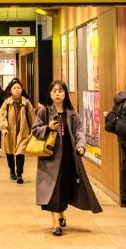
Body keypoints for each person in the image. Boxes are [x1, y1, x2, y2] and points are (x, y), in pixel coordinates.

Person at [31, 80, 103, 235]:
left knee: (64, 187)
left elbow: (79, 131)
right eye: (54, 91)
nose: (57, 93)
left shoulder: (71, 112)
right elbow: (35, 130)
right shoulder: (44, 112)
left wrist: (81, 146)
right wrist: (47, 128)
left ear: (65, 93)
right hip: (50, 158)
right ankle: (56, 224)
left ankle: (61, 213)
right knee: (54, 189)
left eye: (61, 91)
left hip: (69, 158)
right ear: (50, 94)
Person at [0, 79, 33, 184]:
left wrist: (35, 130)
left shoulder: (26, 103)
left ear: (22, 90)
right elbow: (2, 116)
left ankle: (19, 174)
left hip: (23, 132)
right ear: (11, 90)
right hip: (9, 132)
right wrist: (4, 128)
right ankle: (12, 171)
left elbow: (32, 117)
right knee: (9, 153)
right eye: (14, 88)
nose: (17, 90)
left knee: (20, 153)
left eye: (19, 88)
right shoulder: (7, 103)